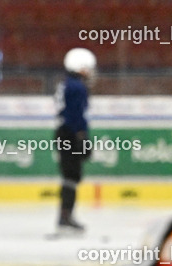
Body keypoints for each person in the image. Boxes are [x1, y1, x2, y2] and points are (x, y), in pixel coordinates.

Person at [53, 47, 95, 234]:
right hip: (71, 133)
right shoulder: (77, 87)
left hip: (63, 131)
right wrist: (81, 138)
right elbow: (77, 116)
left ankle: (65, 215)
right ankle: (65, 217)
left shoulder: (65, 84)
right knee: (71, 176)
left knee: (69, 176)